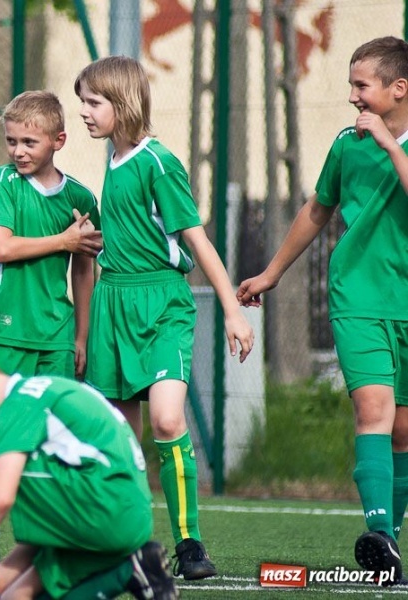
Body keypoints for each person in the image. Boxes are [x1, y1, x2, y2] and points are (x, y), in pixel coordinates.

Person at [74, 56, 254, 581]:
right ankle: (123, 544)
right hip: (112, 303)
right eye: (82, 101)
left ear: (123, 102)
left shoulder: (159, 162)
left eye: (93, 102)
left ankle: (189, 544)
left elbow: (197, 241)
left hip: (162, 306)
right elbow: (132, 232)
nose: (84, 111)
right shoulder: (112, 160)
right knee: (116, 435)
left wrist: (233, 311)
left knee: (168, 421)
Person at [238, 36, 408, 586]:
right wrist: (271, 272)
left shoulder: (385, 142)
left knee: (404, 431)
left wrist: (390, 146)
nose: (353, 97)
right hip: (358, 296)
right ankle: (378, 532)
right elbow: (318, 208)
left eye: (362, 86)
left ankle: (388, 546)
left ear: (398, 88)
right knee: (374, 410)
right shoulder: (345, 144)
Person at [0, 353, 179, 600]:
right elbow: (42, 533)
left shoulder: (19, 401)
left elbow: (0, 497)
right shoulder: (42, 392)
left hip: (102, 506)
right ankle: (130, 570)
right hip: (113, 516)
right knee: (14, 596)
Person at [0, 90, 102, 380]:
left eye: (29, 142)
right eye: (11, 141)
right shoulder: (1, 182)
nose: (18, 151)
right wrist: (63, 241)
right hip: (6, 330)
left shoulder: (80, 197)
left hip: (58, 337)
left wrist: (81, 337)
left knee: (53, 411)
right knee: (5, 410)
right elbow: (1, 249)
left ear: (58, 141)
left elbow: (83, 272)